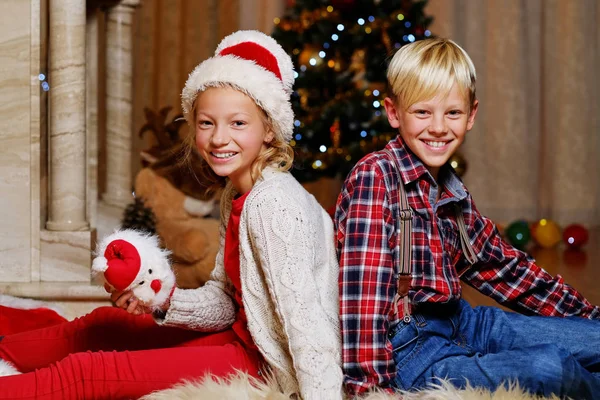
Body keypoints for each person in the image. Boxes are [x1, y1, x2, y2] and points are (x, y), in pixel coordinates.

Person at [0, 30, 343, 400]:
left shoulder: (273, 203)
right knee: (101, 323)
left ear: (270, 133)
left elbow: (306, 323)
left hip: (264, 363)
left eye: (238, 123)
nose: (218, 139)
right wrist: (160, 298)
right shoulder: (240, 193)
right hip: (240, 337)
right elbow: (225, 303)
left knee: (89, 372)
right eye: (206, 122)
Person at [335, 37, 600, 399]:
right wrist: (369, 390)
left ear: (471, 115)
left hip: (464, 321)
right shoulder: (375, 177)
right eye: (423, 112)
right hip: (411, 348)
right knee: (549, 367)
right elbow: (362, 294)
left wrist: (586, 317)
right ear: (394, 112)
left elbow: (505, 268)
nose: (439, 127)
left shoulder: (450, 189)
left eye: (453, 113)